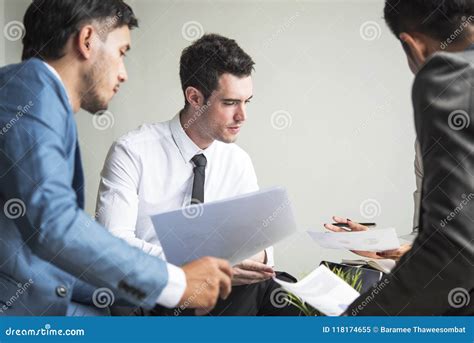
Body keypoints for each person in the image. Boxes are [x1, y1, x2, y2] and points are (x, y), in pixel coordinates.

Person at [0, 0, 232, 316]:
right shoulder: (29, 92)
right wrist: (175, 282)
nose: (123, 74)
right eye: (122, 53)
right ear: (86, 41)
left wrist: (149, 288)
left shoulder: (37, 97)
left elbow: (44, 249)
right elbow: (54, 225)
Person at [96, 33, 300, 316]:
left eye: (247, 102)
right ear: (194, 97)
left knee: (284, 292)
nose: (242, 116)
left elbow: (259, 243)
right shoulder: (132, 151)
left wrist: (252, 259)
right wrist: (198, 265)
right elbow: (113, 243)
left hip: (222, 292)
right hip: (159, 293)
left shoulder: (238, 161)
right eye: (230, 103)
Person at [346, 0, 474, 315]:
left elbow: (453, 250)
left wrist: (352, 325)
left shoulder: (449, 75)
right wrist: (393, 244)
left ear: (412, 45)